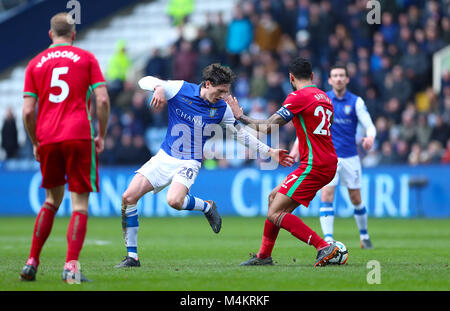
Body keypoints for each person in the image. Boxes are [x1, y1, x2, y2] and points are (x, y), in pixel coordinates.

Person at [115, 63, 293, 268]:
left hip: (189, 160)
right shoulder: (180, 88)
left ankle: (206, 207)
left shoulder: (222, 109)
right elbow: (143, 81)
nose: (224, 96)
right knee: (128, 197)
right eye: (220, 91)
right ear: (208, 84)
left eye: (226, 91)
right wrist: (159, 88)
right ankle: (132, 257)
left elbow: (241, 135)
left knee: (174, 201)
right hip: (164, 156)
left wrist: (269, 152)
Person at [20, 13, 110, 282]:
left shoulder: (34, 64)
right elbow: (102, 100)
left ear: (51, 34)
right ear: (73, 34)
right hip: (79, 135)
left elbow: (27, 111)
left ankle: (31, 262)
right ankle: (71, 267)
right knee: (79, 204)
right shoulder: (86, 58)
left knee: (51, 200)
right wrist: (101, 134)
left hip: (47, 137)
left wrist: (36, 142)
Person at [226, 57, 340, 267]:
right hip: (326, 162)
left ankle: (323, 246)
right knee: (273, 198)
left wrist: (241, 116)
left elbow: (268, 126)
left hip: (315, 165)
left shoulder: (297, 97)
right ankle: (263, 256)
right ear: (312, 76)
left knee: (275, 212)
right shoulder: (324, 97)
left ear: (291, 77)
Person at [290, 65, 376, 249]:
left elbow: (369, 125)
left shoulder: (356, 102)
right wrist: (297, 146)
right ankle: (328, 239)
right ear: (329, 80)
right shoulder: (323, 99)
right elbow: (309, 126)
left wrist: (370, 137)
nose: (338, 78)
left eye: (341, 75)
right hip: (328, 158)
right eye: (335, 76)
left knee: (355, 198)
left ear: (347, 79)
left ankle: (364, 235)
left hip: (351, 156)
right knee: (327, 194)